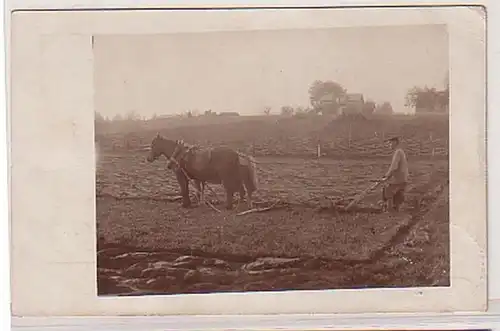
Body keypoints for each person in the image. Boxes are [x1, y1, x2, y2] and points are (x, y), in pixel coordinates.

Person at [381, 136, 409, 212]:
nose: (389, 145)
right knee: (395, 190)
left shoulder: (398, 152)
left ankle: (389, 209)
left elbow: (394, 167)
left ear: (395, 142)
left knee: (387, 189)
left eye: (390, 143)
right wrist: (387, 175)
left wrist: (386, 176)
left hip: (400, 178)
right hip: (403, 177)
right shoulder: (400, 151)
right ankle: (396, 207)